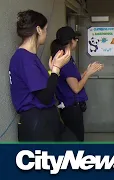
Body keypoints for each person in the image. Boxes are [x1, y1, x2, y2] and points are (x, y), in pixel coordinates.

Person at [9, 10, 71, 142]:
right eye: (46, 29)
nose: (46, 33)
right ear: (38, 29)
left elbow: (42, 86)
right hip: (37, 121)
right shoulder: (24, 58)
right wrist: (56, 68)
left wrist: (52, 71)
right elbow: (45, 96)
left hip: (46, 118)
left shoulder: (30, 57)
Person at [50, 26, 104, 142]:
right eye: (76, 39)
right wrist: (88, 73)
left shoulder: (63, 58)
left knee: (72, 139)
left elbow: (72, 79)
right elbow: (76, 88)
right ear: (71, 41)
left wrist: (85, 72)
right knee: (76, 141)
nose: (77, 41)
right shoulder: (66, 61)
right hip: (72, 109)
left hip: (69, 107)